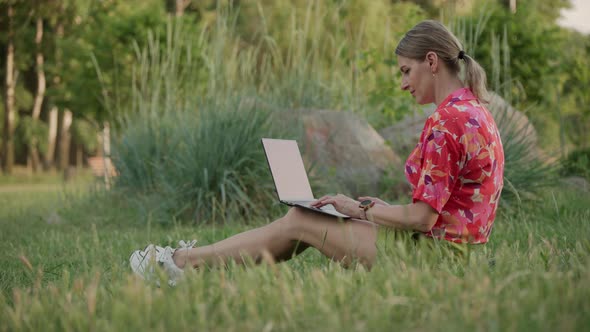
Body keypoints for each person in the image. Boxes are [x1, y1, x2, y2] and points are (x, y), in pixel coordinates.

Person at [129, 20, 504, 286]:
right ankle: (189, 265)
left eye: (407, 71)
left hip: (433, 260)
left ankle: (179, 265)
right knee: (304, 217)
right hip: (457, 255)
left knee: (300, 221)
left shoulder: (445, 123)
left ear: (433, 62)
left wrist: (359, 209)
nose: (404, 83)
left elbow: (423, 220)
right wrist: (379, 214)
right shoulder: (475, 113)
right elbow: (442, 214)